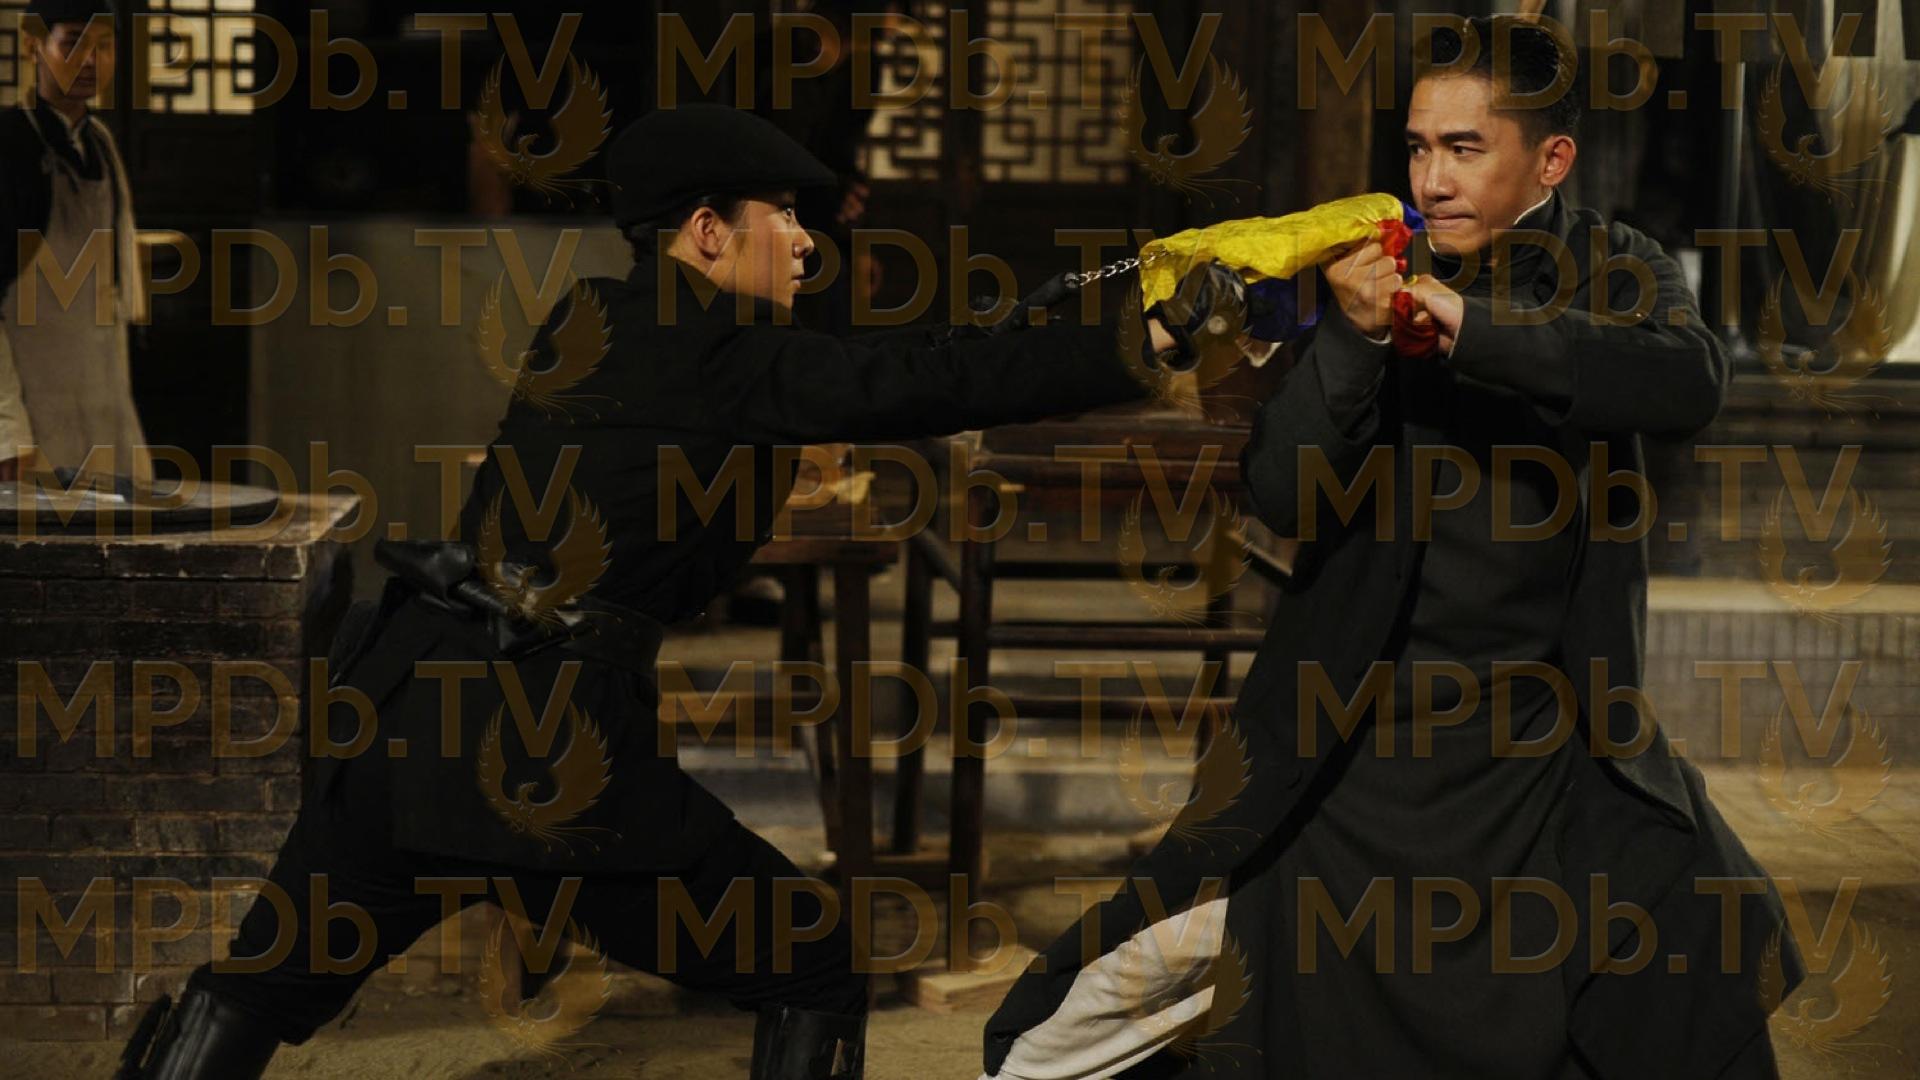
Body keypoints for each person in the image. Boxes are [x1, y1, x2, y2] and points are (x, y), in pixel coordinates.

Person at [115, 103, 1216, 1079]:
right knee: (812, 961)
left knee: (259, 988)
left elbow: (902, 367)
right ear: (706, 232)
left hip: (405, 722)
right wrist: (1153, 336)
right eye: (782, 214)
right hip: (539, 751)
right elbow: (920, 382)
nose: (806, 238)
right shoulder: (719, 355)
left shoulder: (597, 319)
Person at [982, 18, 1801, 1079]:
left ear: (1550, 159)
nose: (1432, 178)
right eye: (1418, 147)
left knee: (1696, 936)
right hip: (1361, 730)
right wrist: (1357, 335)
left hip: (1546, 733)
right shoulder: (1373, 269)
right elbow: (1282, 489)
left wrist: (1469, 326)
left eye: (1464, 148)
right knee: (1107, 1013)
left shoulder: (1615, 265)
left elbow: (1688, 383)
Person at [0, 0, 149, 485]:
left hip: (102, 401)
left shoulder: (100, 142)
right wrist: (7, 430)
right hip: (33, 414)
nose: (90, 60)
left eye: (103, 46)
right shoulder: (11, 143)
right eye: (73, 44)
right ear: (33, 47)